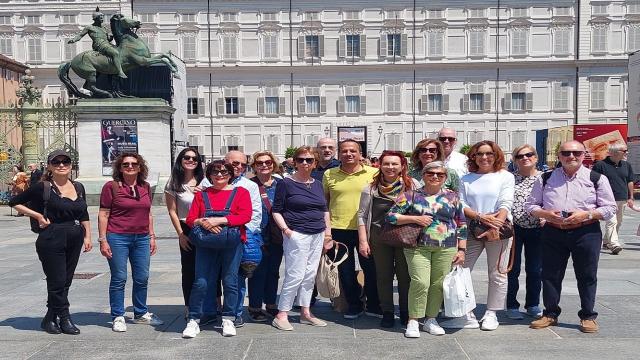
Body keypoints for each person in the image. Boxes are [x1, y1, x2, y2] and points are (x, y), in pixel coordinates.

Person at [526, 140, 616, 334]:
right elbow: (531, 205)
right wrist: (545, 214)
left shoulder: (596, 178)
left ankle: (588, 315)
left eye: (576, 153)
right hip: (553, 231)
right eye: (566, 153)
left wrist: (587, 214)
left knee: (587, 275)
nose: (571, 156)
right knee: (550, 275)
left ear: (584, 155)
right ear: (559, 156)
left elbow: (610, 208)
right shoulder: (546, 177)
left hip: (586, 231)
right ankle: (550, 314)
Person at [9, 150, 92, 335]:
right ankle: (64, 317)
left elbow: (83, 212)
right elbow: (14, 201)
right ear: (49, 166)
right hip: (51, 237)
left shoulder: (78, 187)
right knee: (57, 280)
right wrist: (37, 215)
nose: (61, 165)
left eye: (65, 162)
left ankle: (49, 318)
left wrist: (88, 236)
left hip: (75, 236)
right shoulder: (43, 187)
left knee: (66, 281)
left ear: (71, 166)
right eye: (56, 162)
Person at [386, 161, 467, 337]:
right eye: (431, 173)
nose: (435, 177)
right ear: (423, 176)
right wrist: (416, 219)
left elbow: (461, 222)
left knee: (438, 285)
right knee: (420, 282)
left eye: (440, 174)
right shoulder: (410, 195)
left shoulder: (453, 197)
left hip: (446, 247)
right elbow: (391, 217)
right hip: (417, 246)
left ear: (445, 177)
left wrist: (462, 249)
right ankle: (413, 320)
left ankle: (431, 319)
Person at [442, 140, 514, 331]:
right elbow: (461, 204)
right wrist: (481, 217)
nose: (484, 157)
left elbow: (506, 202)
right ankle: (467, 312)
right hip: (472, 227)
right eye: (479, 154)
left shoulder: (505, 176)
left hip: (497, 228)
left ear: (496, 155)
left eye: (489, 153)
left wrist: (497, 223)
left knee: (497, 272)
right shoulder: (466, 179)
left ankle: (492, 312)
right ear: (473, 157)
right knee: (460, 268)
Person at [182, 161, 252, 338]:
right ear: (209, 175)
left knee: (230, 281)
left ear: (231, 174)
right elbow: (191, 219)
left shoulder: (241, 192)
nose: (219, 175)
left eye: (223, 172)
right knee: (201, 281)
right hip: (206, 242)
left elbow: (245, 215)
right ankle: (194, 319)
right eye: (215, 172)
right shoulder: (202, 194)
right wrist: (205, 222)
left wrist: (219, 220)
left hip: (231, 242)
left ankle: (228, 317)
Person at [98, 152, 163, 332]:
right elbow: (103, 214)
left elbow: (148, 213)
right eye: (125, 164)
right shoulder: (111, 187)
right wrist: (103, 240)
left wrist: (152, 236)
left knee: (142, 277)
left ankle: (140, 313)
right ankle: (118, 315)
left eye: (134, 164)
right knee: (119, 278)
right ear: (120, 167)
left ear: (140, 167)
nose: (130, 167)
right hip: (117, 236)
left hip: (141, 237)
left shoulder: (145, 186)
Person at [271, 146, 333, 330]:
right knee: (295, 274)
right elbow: (276, 210)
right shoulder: (285, 183)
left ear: (315, 163)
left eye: (309, 160)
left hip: (318, 233)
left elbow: (324, 210)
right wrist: (287, 231)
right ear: (294, 162)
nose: (305, 163)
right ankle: (282, 314)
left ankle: (305, 312)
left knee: (310, 275)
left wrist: (327, 234)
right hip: (297, 234)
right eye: (300, 159)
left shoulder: (317, 183)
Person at [200, 150, 262, 327]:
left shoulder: (249, 186)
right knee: (210, 275)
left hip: (237, 235)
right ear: (225, 162)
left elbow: (255, 215)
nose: (240, 167)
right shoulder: (208, 181)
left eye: (243, 164)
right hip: (212, 233)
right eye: (235, 163)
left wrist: (238, 233)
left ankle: (235, 312)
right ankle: (210, 311)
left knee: (235, 277)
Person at [357, 151, 419, 328]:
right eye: (387, 164)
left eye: (394, 164)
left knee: (405, 276)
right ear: (380, 166)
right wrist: (363, 240)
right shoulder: (370, 188)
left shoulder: (412, 185)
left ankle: (406, 311)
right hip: (378, 238)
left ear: (402, 166)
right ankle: (388, 311)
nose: (390, 167)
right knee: (383, 276)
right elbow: (361, 215)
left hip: (405, 237)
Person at [323, 139, 380, 319]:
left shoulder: (373, 173)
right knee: (345, 271)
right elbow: (325, 203)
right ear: (339, 154)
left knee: (370, 269)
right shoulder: (329, 174)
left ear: (359, 153)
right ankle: (353, 304)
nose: (348, 154)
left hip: (367, 229)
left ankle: (373, 304)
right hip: (339, 229)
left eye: (353, 151)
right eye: (345, 151)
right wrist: (327, 233)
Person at [164, 148, 205, 317]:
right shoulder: (173, 183)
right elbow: (172, 211)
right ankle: (190, 306)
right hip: (186, 227)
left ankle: (211, 304)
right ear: (180, 160)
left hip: (206, 225)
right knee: (189, 269)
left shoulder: (205, 181)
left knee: (209, 268)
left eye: (194, 158)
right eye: (187, 157)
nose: (191, 160)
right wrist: (180, 234)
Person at [505, 145, 543, 320]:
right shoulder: (509, 179)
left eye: (529, 154)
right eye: (520, 156)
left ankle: (533, 304)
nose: (525, 158)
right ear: (515, 160)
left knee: (536, 269)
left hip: (538, 229)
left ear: (536, 157)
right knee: (512, 269)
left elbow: (553, 198)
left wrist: (547, 216)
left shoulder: (545, 178)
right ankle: (512, 305)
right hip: (515, 229)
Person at [247, 151, 283, 320]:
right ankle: (254, 307)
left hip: (277, 234)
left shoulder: (281, 184)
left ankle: (271, 304)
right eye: (259, 163)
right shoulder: (248, 184)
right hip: (257, 234)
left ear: (273, 164)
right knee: (257, 271)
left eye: (268, 162)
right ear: (254, 166)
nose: (264, 165)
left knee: (274, 270)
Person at [592, 143, 634, 255]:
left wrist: (631, 197)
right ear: (616, 152)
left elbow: (630, 181)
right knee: (612, 222)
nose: (627, 153)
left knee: (619, 222)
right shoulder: (600, 165)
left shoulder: (626, 165)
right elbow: (593, 183)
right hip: (607, 200)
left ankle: (606, 241)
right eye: (624, 151)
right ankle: (614, 244)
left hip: (622, 198)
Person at [67, 8, 127, 78]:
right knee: (115, 53)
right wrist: (74, 40)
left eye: (102, 17)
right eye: (100, 17)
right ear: (95, 18)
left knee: (121, 51)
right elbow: (80, 35)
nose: (102, 19)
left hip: (106, 44)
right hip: (99, 44)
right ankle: (120, 72)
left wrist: (110, 37)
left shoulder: (104, 28)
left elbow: (108, 39)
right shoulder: (90, 27)